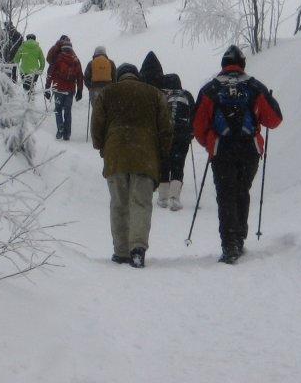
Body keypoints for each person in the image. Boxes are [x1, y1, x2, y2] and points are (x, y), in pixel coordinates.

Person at [192, 45, 282, 264]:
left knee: (226, 194)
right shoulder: (254, 86)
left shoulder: (210, 89)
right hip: (249, 149)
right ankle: (240, 237)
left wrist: (209, 143)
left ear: (223, 64)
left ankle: (229, 243)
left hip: (222, 149)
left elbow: (197, 126)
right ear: (242, 64)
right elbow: (274, 120)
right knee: (242, 191)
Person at [90, 63, 173, 268]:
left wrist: (101, 146)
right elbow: (166, 128)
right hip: (145, 157)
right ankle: (137, 249)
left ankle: (120, 251)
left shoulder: (107, 93)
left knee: (119, 204)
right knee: (141, 203)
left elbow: (97, 125)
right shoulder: (154, 94)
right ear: (137, 77)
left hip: (116, 156)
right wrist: (163, 153)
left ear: (119, 77)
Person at [156, 73, 195, 211]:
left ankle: (162, 197)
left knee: (164, 163)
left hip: (165, 134)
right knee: (178, 164)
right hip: (182, 134)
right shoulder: (187, 95)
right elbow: (193, 114)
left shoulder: (162, 96)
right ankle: (174, 198)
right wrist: (191, 132)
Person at [45, 40, 84, 140]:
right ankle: (67, 134)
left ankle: (60, 128)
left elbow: (50, 73)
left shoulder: (58, 58)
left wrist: (47, 87)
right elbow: (80, 76)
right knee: (68, 111)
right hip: (70, 90)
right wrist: (80, 90)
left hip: (58, 89)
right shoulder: (76, 59)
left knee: (58, 110)